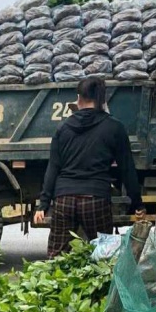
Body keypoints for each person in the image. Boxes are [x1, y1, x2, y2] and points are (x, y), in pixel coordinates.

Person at [35, 76, 145, 258]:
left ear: (78, 98)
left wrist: (43, 204)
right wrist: (137, 203)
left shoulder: (63, 128)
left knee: (57, 256)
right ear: (102, 100)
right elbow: (127, 169)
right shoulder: (114, 128)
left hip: (64, 199)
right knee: (103, 255)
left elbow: (53, 167)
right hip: (95, 197)